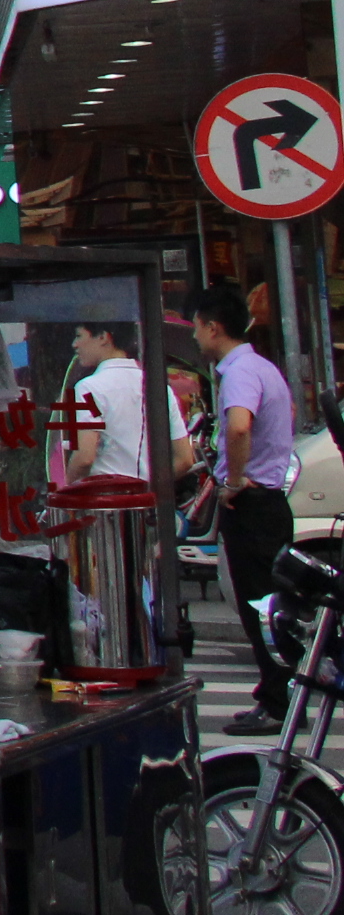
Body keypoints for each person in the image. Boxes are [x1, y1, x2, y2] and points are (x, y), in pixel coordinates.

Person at [199, 285, 302, 735]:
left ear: (213, 327)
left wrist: (234, 481)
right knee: (271, 606)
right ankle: (279, 694)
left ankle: (279, 702)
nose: (197, 337)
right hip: (270, 501)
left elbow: (239, 427)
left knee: (259, 606)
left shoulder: (239, 373)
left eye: (198, 328)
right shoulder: (263, 367)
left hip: (253, 504)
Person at [64, 321, 190, 486]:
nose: (75, 344)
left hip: (104, 500)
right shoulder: (160, 388)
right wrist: (147, 487)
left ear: (103, 337)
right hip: (145, 503)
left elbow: (84, 458)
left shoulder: (89, 387)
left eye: (79, 335)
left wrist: (66, 488)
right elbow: (185, 459)